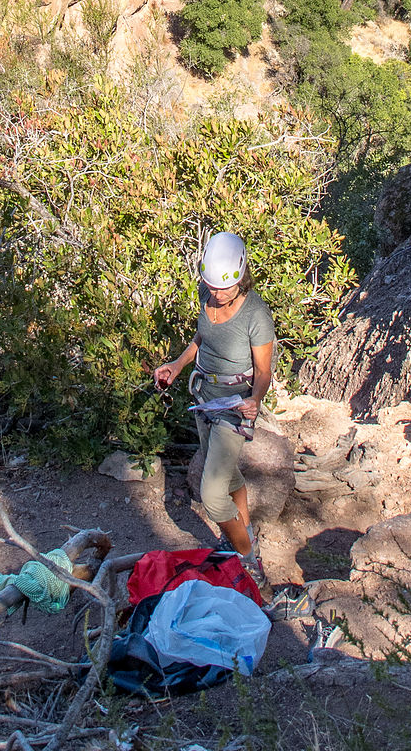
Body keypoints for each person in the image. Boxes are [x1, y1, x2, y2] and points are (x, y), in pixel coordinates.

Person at [153, 231, 274, 595]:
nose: (217, 293)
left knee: (211, 494)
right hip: (204, 395)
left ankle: (248, 560)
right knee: (228, 475)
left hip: (235, 404)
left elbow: (264, 369)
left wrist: (255, 399)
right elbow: (201, 337)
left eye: (224, 287)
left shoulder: (256, 315)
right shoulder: (207, 296)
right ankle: (243, 534)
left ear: (241, 276)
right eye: (211, 285)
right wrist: (176, 365)